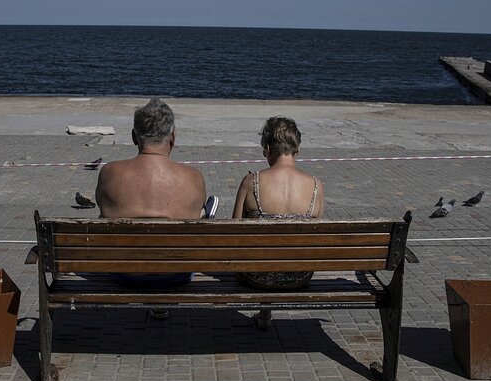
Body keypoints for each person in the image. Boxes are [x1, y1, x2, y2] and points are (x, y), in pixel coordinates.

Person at [95, 98, 218, 316]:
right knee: (199, 214)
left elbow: (103, 209)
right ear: (173, 137)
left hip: (124, 272)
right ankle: (161, 300)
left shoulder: (109, 173)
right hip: (175, 274)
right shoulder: (194, 178)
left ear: (134, 137)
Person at [231, 116, 325, 327]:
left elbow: (234, 233)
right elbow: (315, 238)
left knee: (264, 255)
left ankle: (264, 312)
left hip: (254, 277)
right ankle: (265, 313)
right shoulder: (316, 186)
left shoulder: (250, 182)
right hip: (299, 276)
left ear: (267, 148)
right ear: (297, 149)